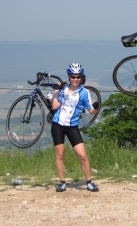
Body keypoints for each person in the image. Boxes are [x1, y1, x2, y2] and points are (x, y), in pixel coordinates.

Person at [51, 63, 100, 192]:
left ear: (82, 77)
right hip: (58, 125)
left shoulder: (84, 93)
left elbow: (91, 111)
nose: (75, 79)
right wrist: (56, 91)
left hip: (72, 127)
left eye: (78, 77)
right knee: (60, 155)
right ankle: (62, 182)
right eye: (73, 76)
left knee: (82, 155)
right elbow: (55, 107)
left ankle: (89, 182)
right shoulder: (63, 89)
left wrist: (96, 106)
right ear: (69, 76)